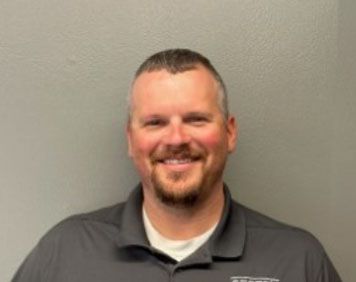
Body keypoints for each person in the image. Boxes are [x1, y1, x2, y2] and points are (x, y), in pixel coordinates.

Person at [12, 49, 342, 282]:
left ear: (229, 133)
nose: (176, 138)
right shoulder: (66, 251)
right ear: (130, 139)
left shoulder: (299, 260)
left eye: (196, 119)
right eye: (155, 122)